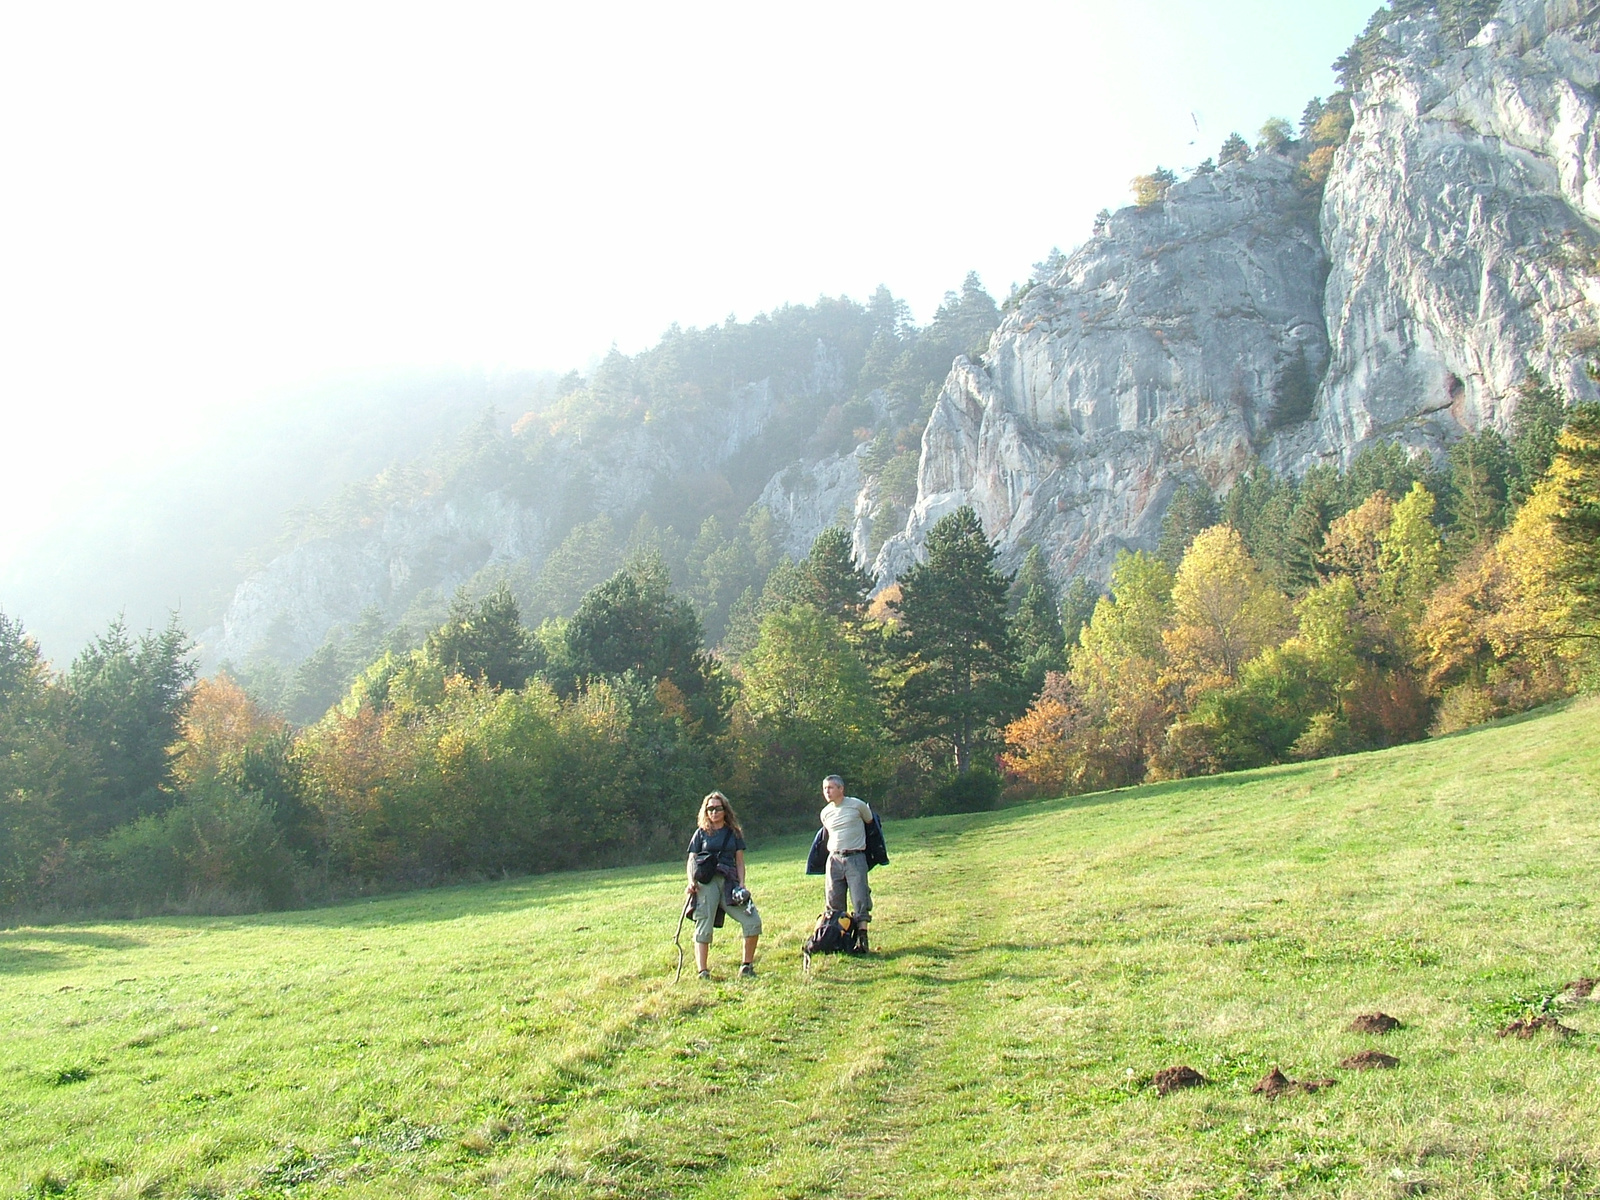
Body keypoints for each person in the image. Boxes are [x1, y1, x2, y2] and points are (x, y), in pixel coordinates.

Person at [685, 791, 762, 979]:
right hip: (706, 884)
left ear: (725, 810)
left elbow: (740, 861)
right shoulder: (701, 833)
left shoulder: (734, 833)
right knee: (703, 925)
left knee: (752, 921)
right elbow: (692, 860)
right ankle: (702, 971)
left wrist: (742, 884)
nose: (714, 812)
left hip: (730, 883)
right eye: (710, 809)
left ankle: (747, 966)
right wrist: (690, 883)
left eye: (718, 808)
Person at [816, 774, 877, 924]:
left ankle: (862, 938)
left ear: (841, 788)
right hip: (834, 860)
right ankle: (840, 936)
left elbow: (871, 823)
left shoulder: (857, 805)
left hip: (855, 858)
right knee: (833, 900)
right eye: (824, 788)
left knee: (860, 899)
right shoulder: (825, 813)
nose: (827, 791)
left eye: (830, 787)